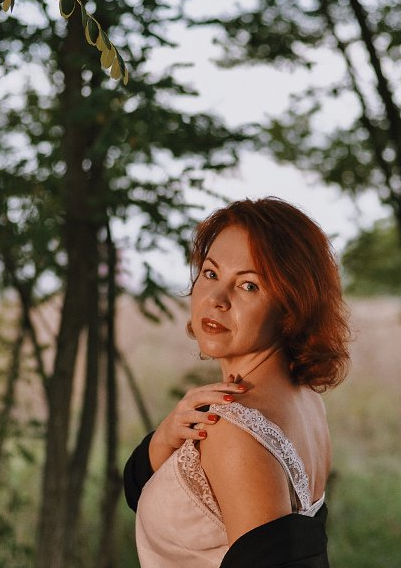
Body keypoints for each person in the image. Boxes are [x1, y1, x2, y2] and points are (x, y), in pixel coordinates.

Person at [124, 197, 350, 567]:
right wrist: (166, 437)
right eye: (211, 273)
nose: (216, 299)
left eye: (248, 285)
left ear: (291, 306)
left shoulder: (233, 429)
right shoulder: (307, 399)